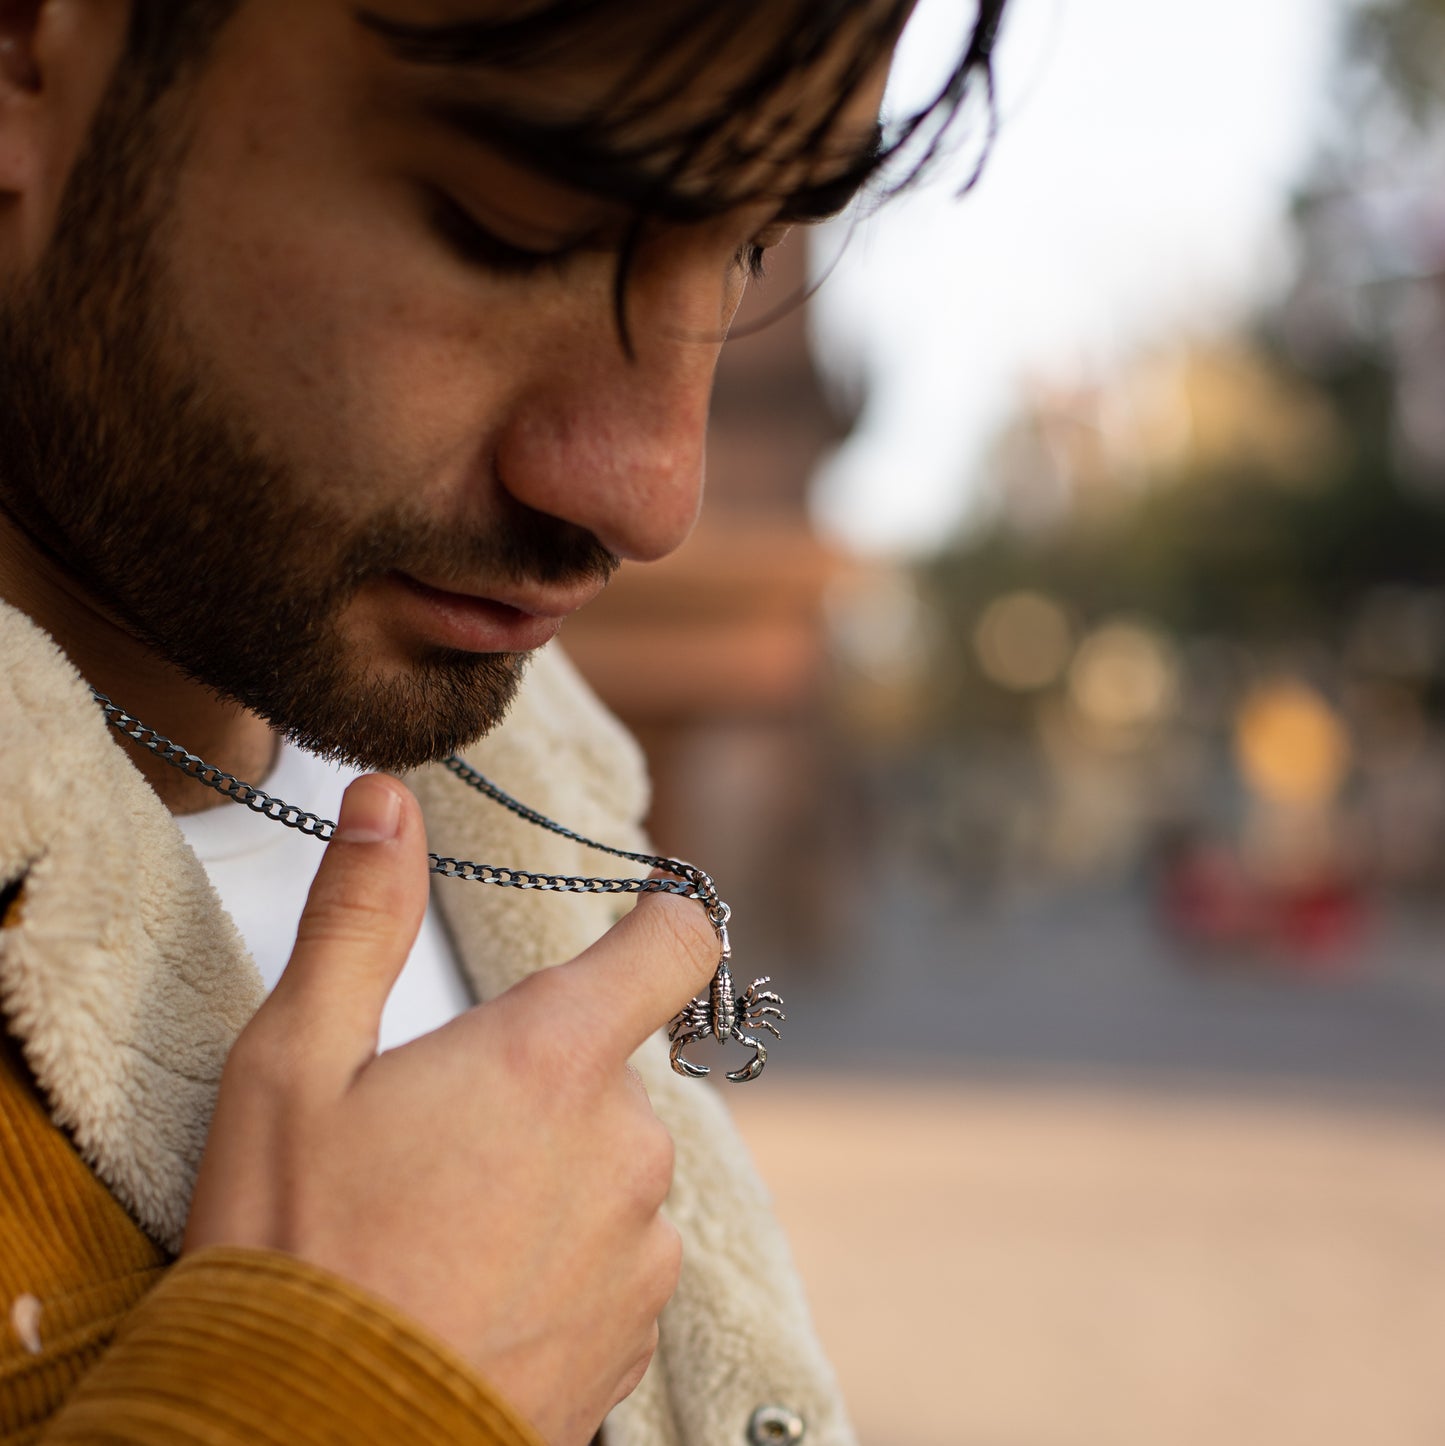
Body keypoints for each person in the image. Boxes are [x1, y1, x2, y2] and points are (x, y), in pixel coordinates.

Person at [0, 2, 1003, 1443]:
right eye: (511, 230)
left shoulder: (533, 791)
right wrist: (338, 1387)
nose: (653, 492)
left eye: (745, 247)